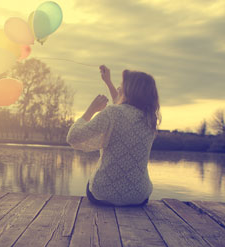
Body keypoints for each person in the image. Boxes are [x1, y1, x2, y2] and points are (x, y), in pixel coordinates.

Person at [66, 65, 161, 206]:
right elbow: (124, 108)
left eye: (122, 85)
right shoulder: (150, 119)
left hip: (102, 194)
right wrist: (108, 82)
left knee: (92, 182)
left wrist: (91, 110)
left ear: (130, 91)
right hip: (138, 198)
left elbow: (73, 137)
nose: (118, 87)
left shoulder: (113, 113)